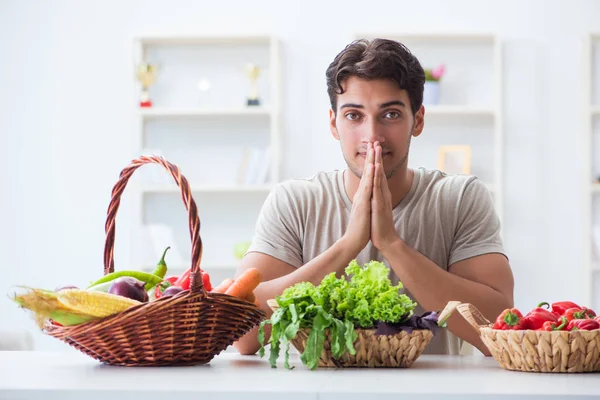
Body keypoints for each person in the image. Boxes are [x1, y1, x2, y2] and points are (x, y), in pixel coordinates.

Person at [233, 38, 513, 356]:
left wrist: (391, 244)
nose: (372, 136)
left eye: (390, 114)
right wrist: (348, 245)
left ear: (417, 120)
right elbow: (243, 335)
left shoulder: (459, 198)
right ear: (333, 123)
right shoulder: (295, 201)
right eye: (354, 116)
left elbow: (497, 329)